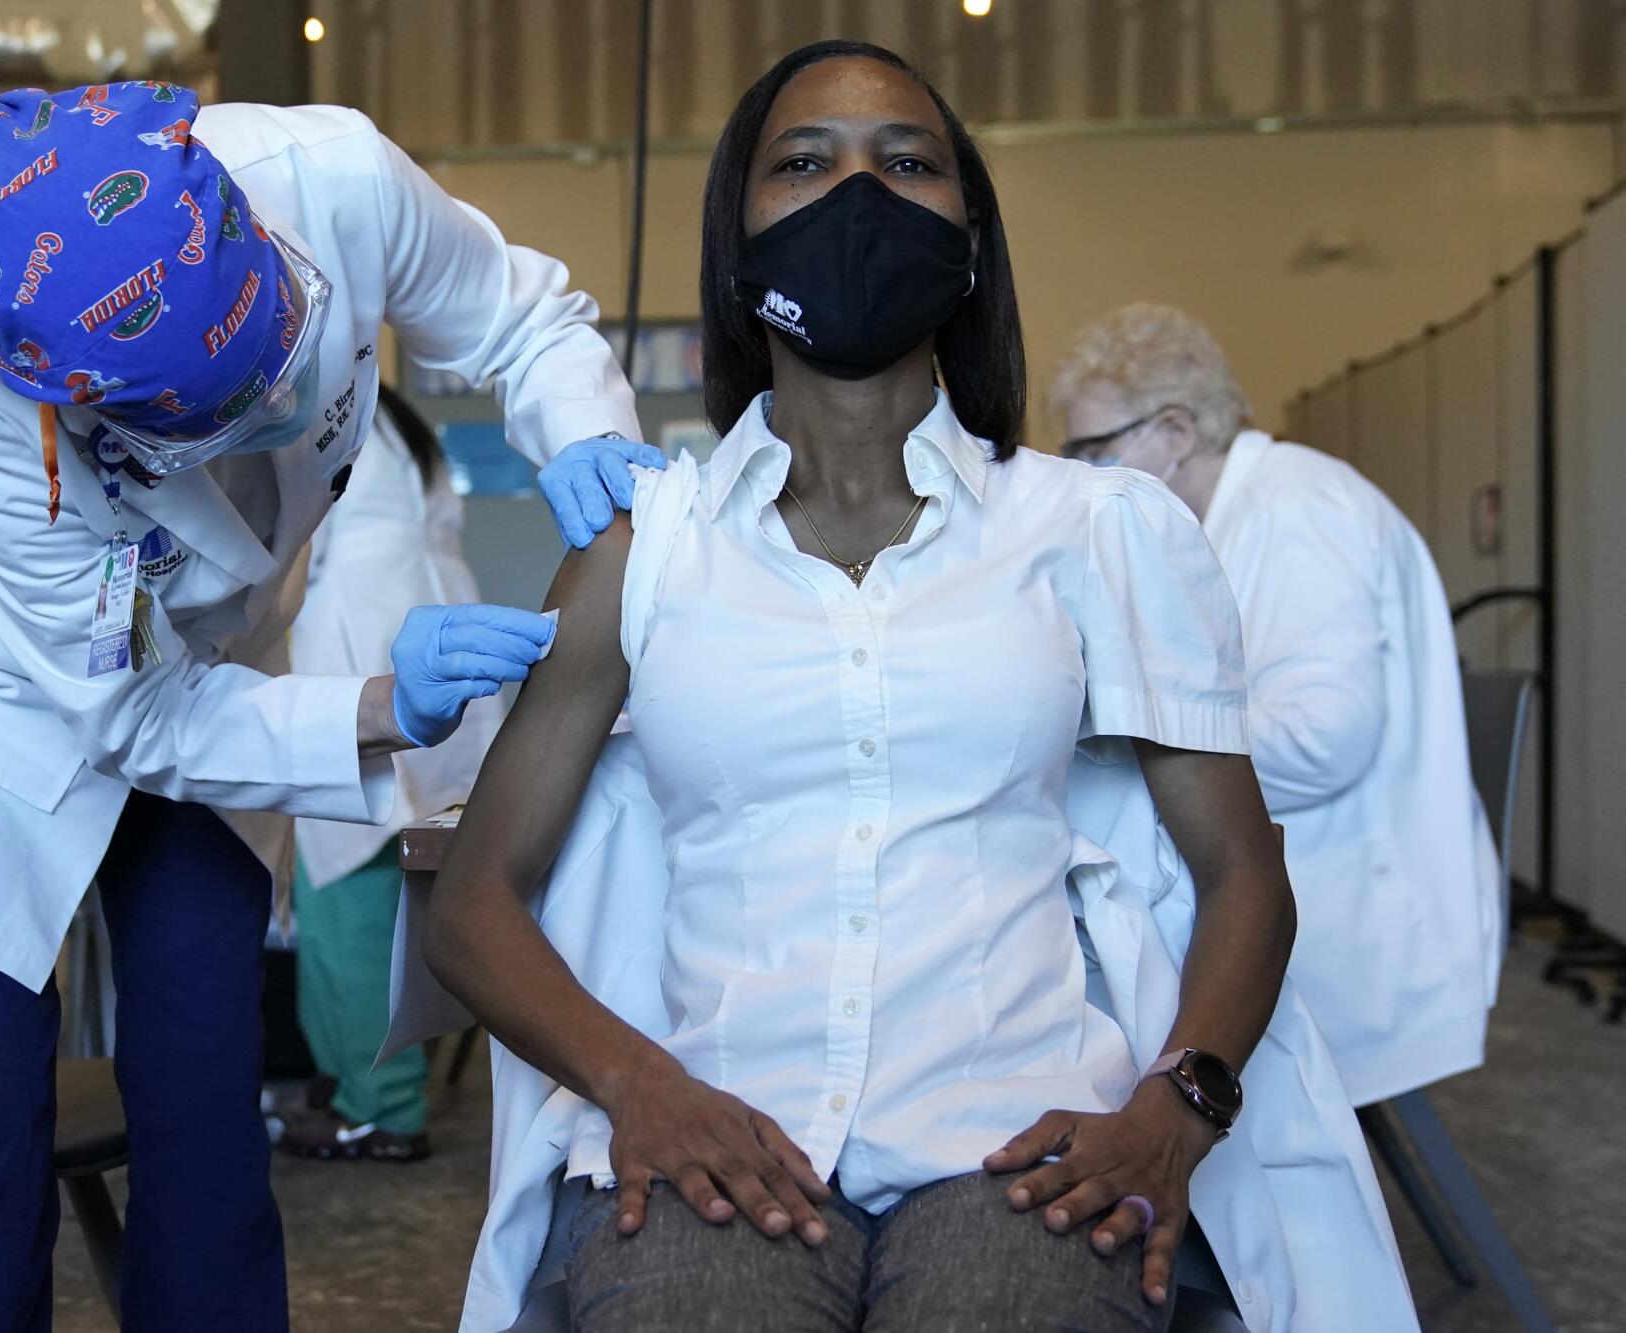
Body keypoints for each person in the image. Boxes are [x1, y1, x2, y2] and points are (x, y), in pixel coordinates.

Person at [422, 43, 1304, 1331]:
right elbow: (474, 901)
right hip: (715, 1119)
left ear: (967, 237)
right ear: (738, 241)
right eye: (802, 162)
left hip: (1017, 1133)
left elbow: (1240, 871)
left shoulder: (1097, 528)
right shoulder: (640, 548)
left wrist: (1179, 1105)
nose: (857, 194)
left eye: (905, 164)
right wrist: (635, 1085)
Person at [0, 82, 658, 1331]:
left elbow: (519, 319)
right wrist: (373, 705)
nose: (281, 421)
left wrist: (578, 433)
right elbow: (136, 716)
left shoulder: (334, 171)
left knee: (200, 1076)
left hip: (201, 656)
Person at [1051, 303, 1500, 1108]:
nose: (1080, 470)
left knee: (1100, 1032)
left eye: (1094, 448)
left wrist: (1139, 734)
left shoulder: (1296, 511)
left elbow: (1327, 740)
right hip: (1317, 880)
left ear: (1177, 430)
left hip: (1357, 915)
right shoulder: (1233, 517)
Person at [280, 385, 498, 1161]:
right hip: (435, 629)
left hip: (356, 641)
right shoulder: (401, 423)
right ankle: (358, 1080)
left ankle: (381, 1103)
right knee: (404, 889)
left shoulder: (315, 411)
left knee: (347, 892)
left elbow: (282, 549)